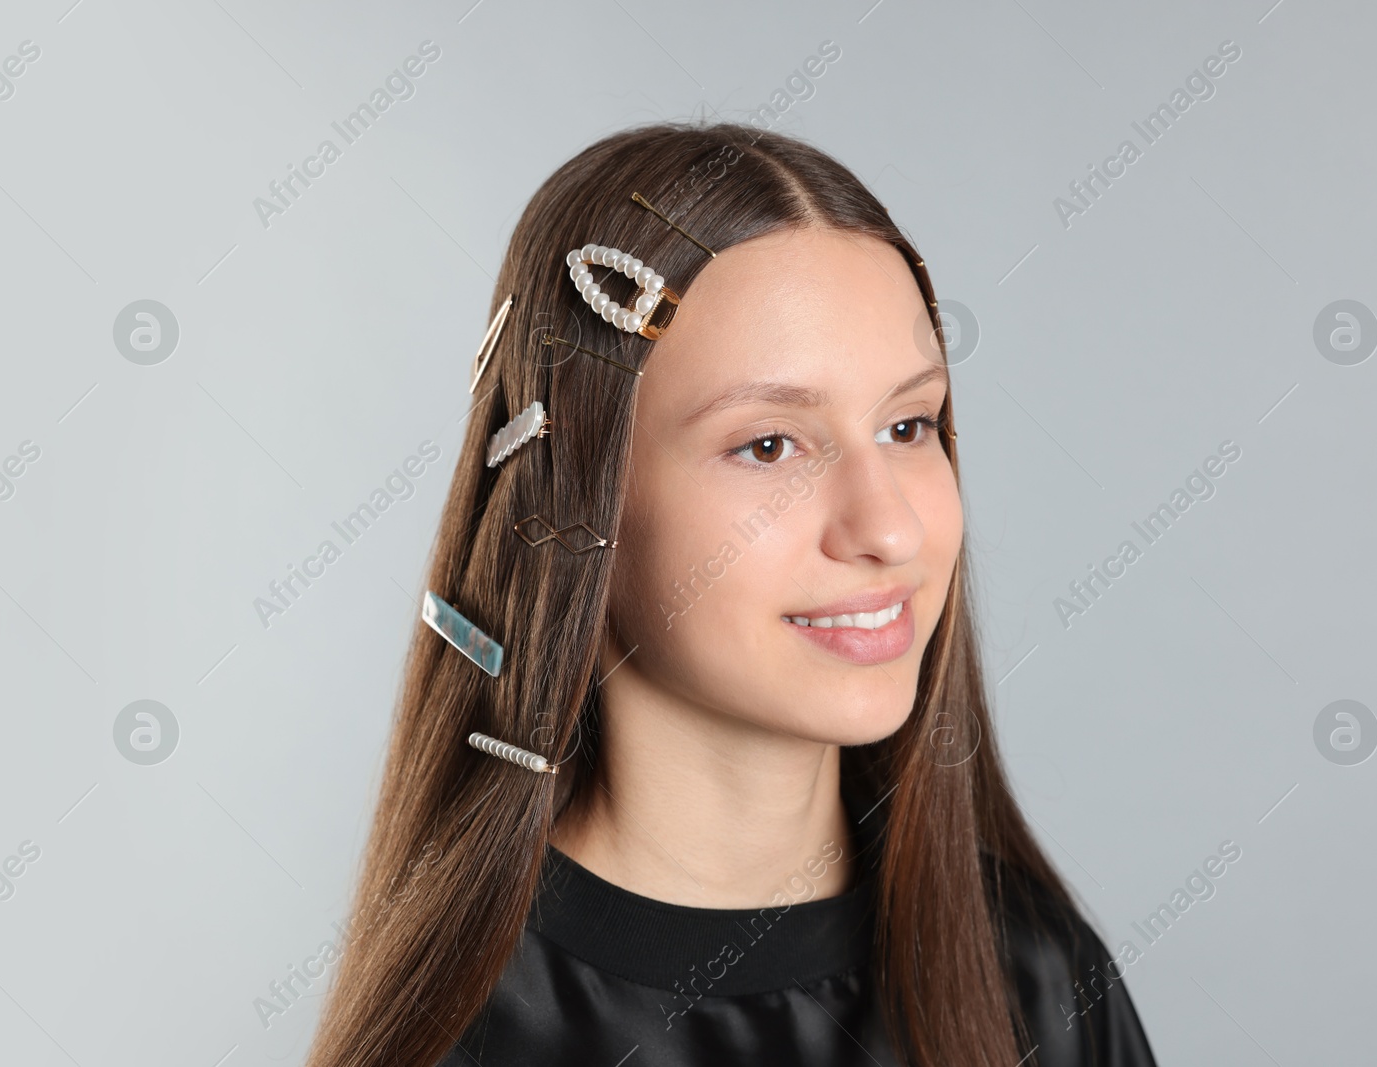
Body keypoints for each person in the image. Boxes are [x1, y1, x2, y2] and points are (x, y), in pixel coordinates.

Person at [305, 121, 1159, 1067]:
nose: (888, 530)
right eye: (768, 445)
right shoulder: (473, 1040)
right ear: (584, 494)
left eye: (910, 425)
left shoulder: (1037, 980)